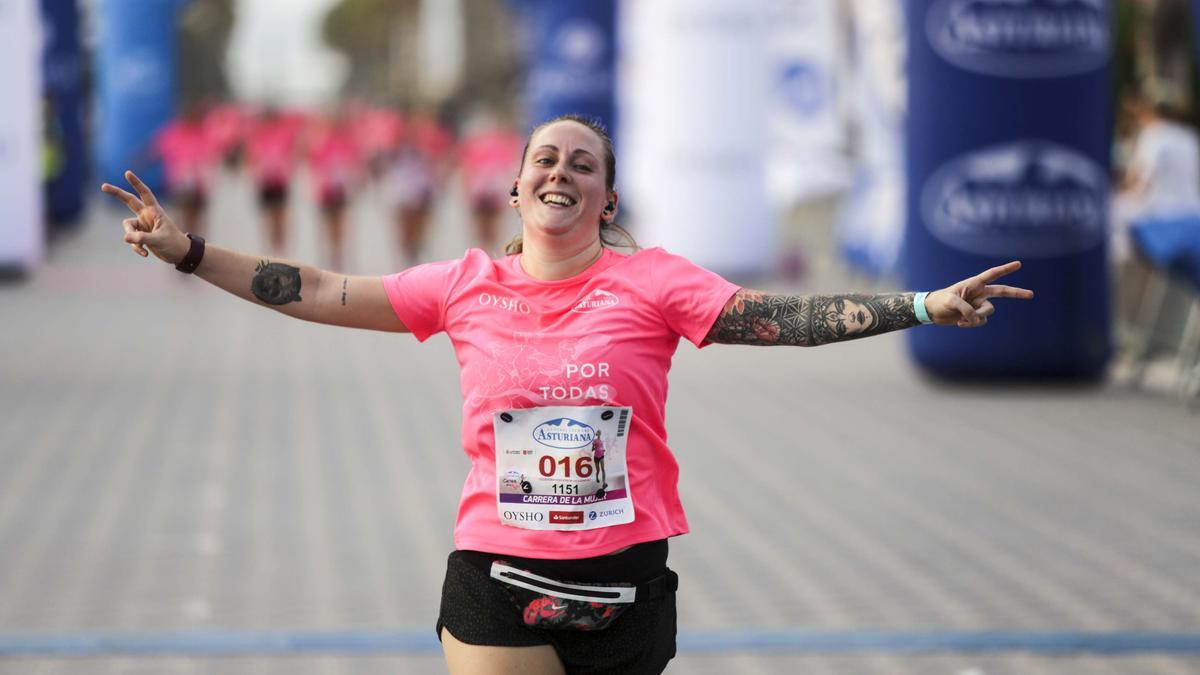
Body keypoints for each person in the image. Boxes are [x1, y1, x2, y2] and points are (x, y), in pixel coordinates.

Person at [102, 113, 1032, 675]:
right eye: (546, 159)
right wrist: (189, 250)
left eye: (583, 165)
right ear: (513, 189)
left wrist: (920, 304)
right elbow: (319, 288)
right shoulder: (464, 284)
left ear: (608, 201)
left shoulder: (657, 282)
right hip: (497, 574)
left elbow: (780, 316)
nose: (561, 173)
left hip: (625, 580)